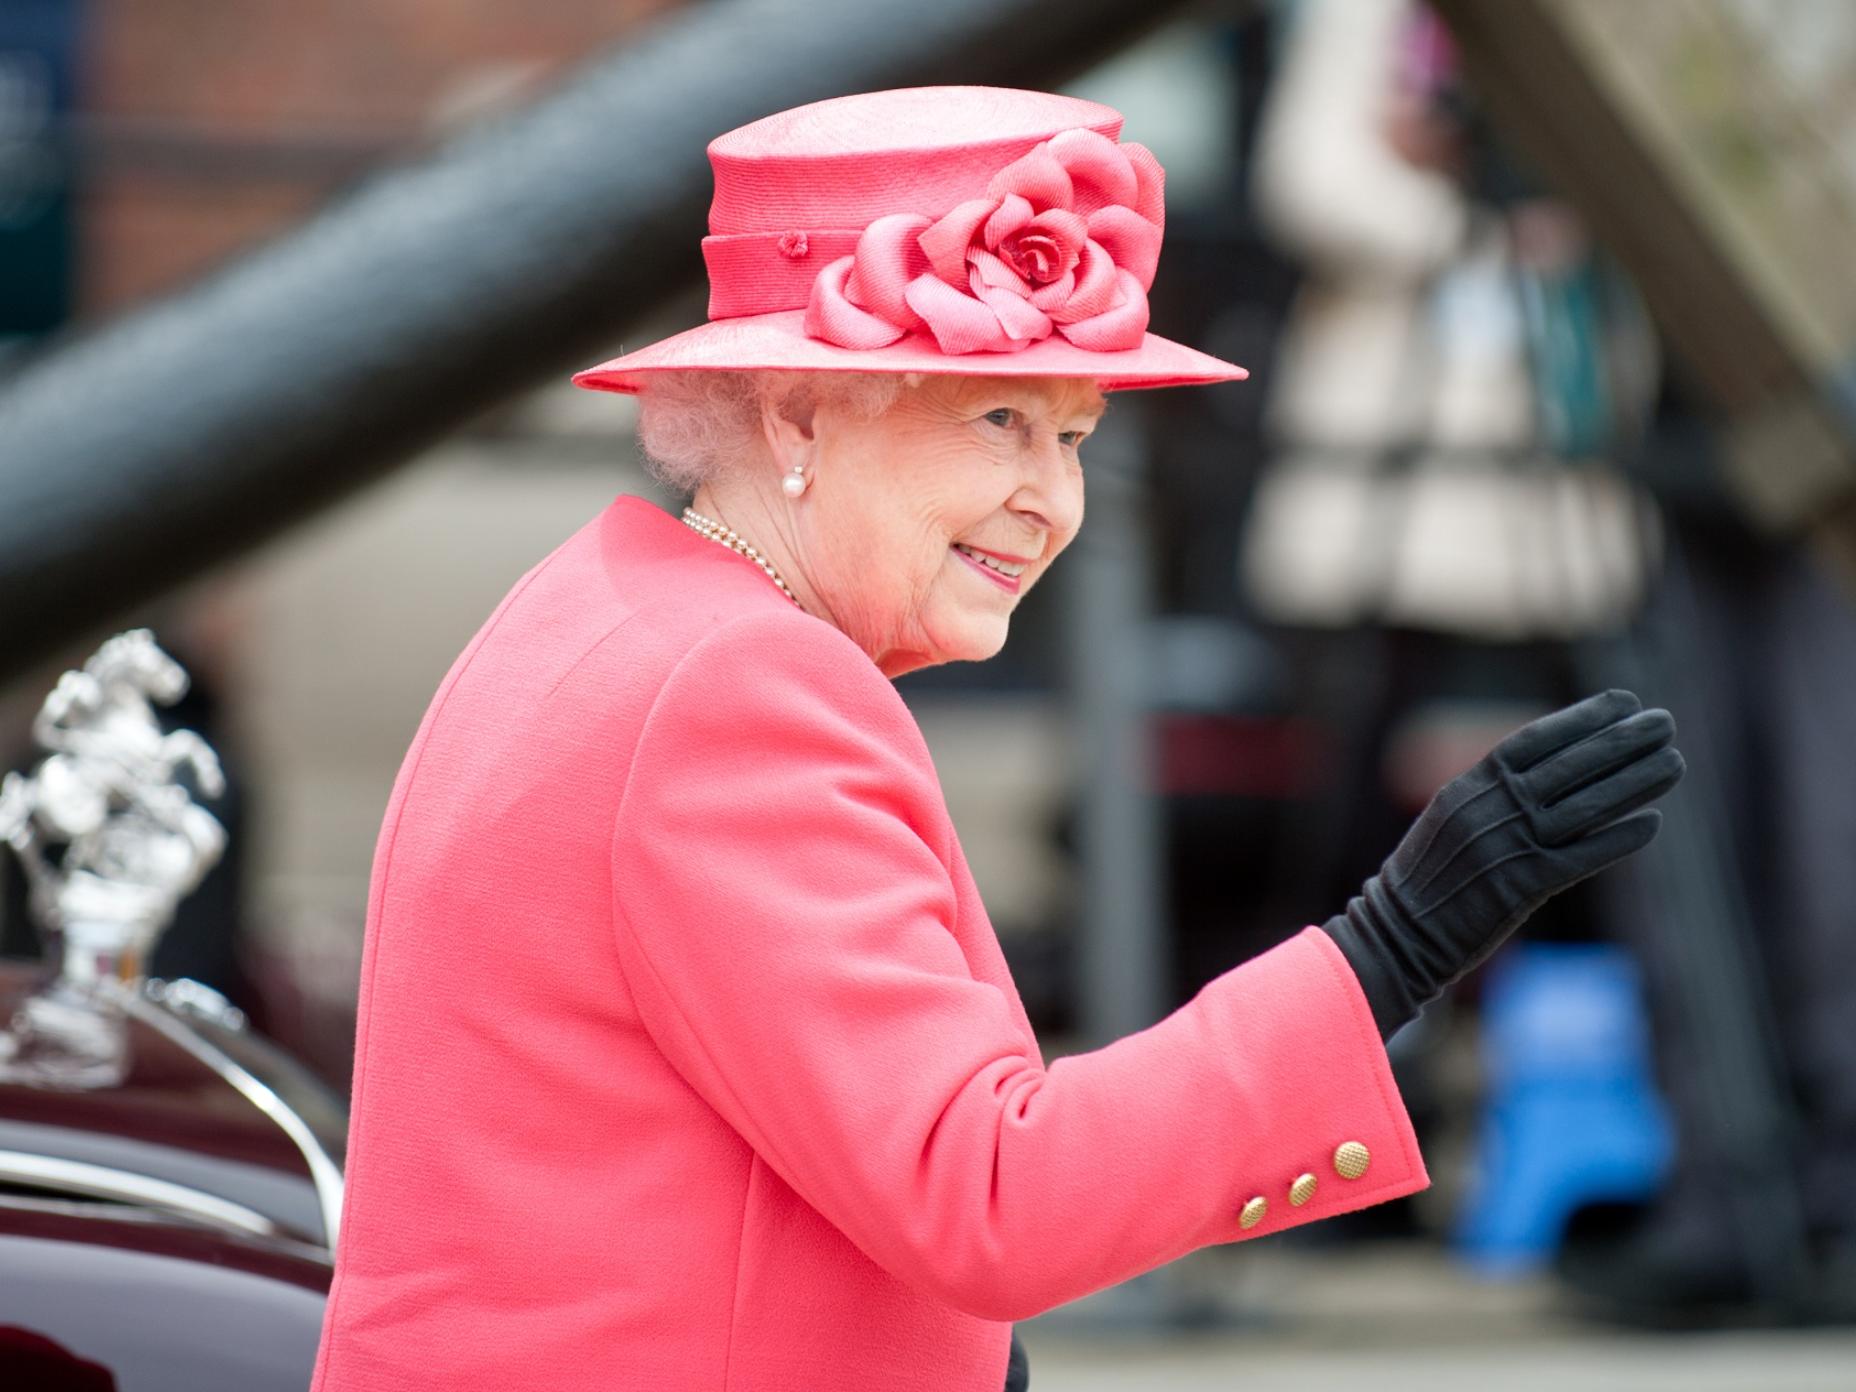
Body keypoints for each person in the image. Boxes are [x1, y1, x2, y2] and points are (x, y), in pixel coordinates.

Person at [307, 86, 1685, 1391]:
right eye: (999, 420)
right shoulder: (740, 690)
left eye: (1074, 434)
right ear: (796, 416)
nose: (1050, 501)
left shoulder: (609, 608)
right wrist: (1392, 946)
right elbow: (990, 1195)